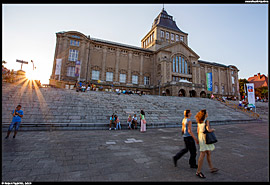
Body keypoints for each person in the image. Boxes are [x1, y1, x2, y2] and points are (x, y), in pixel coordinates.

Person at [195, 109, 218, 178]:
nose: (208, 113)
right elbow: (208, 130)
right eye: (207, 112)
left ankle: (211, 168)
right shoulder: (207, 121)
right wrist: (213, 129)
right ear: (205, 114)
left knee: (208, 153)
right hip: (205, 138)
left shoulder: (199, 121)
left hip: (201, 137)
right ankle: (198, 172)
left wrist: (199, 139)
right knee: (202, 154)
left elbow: (198, 131)